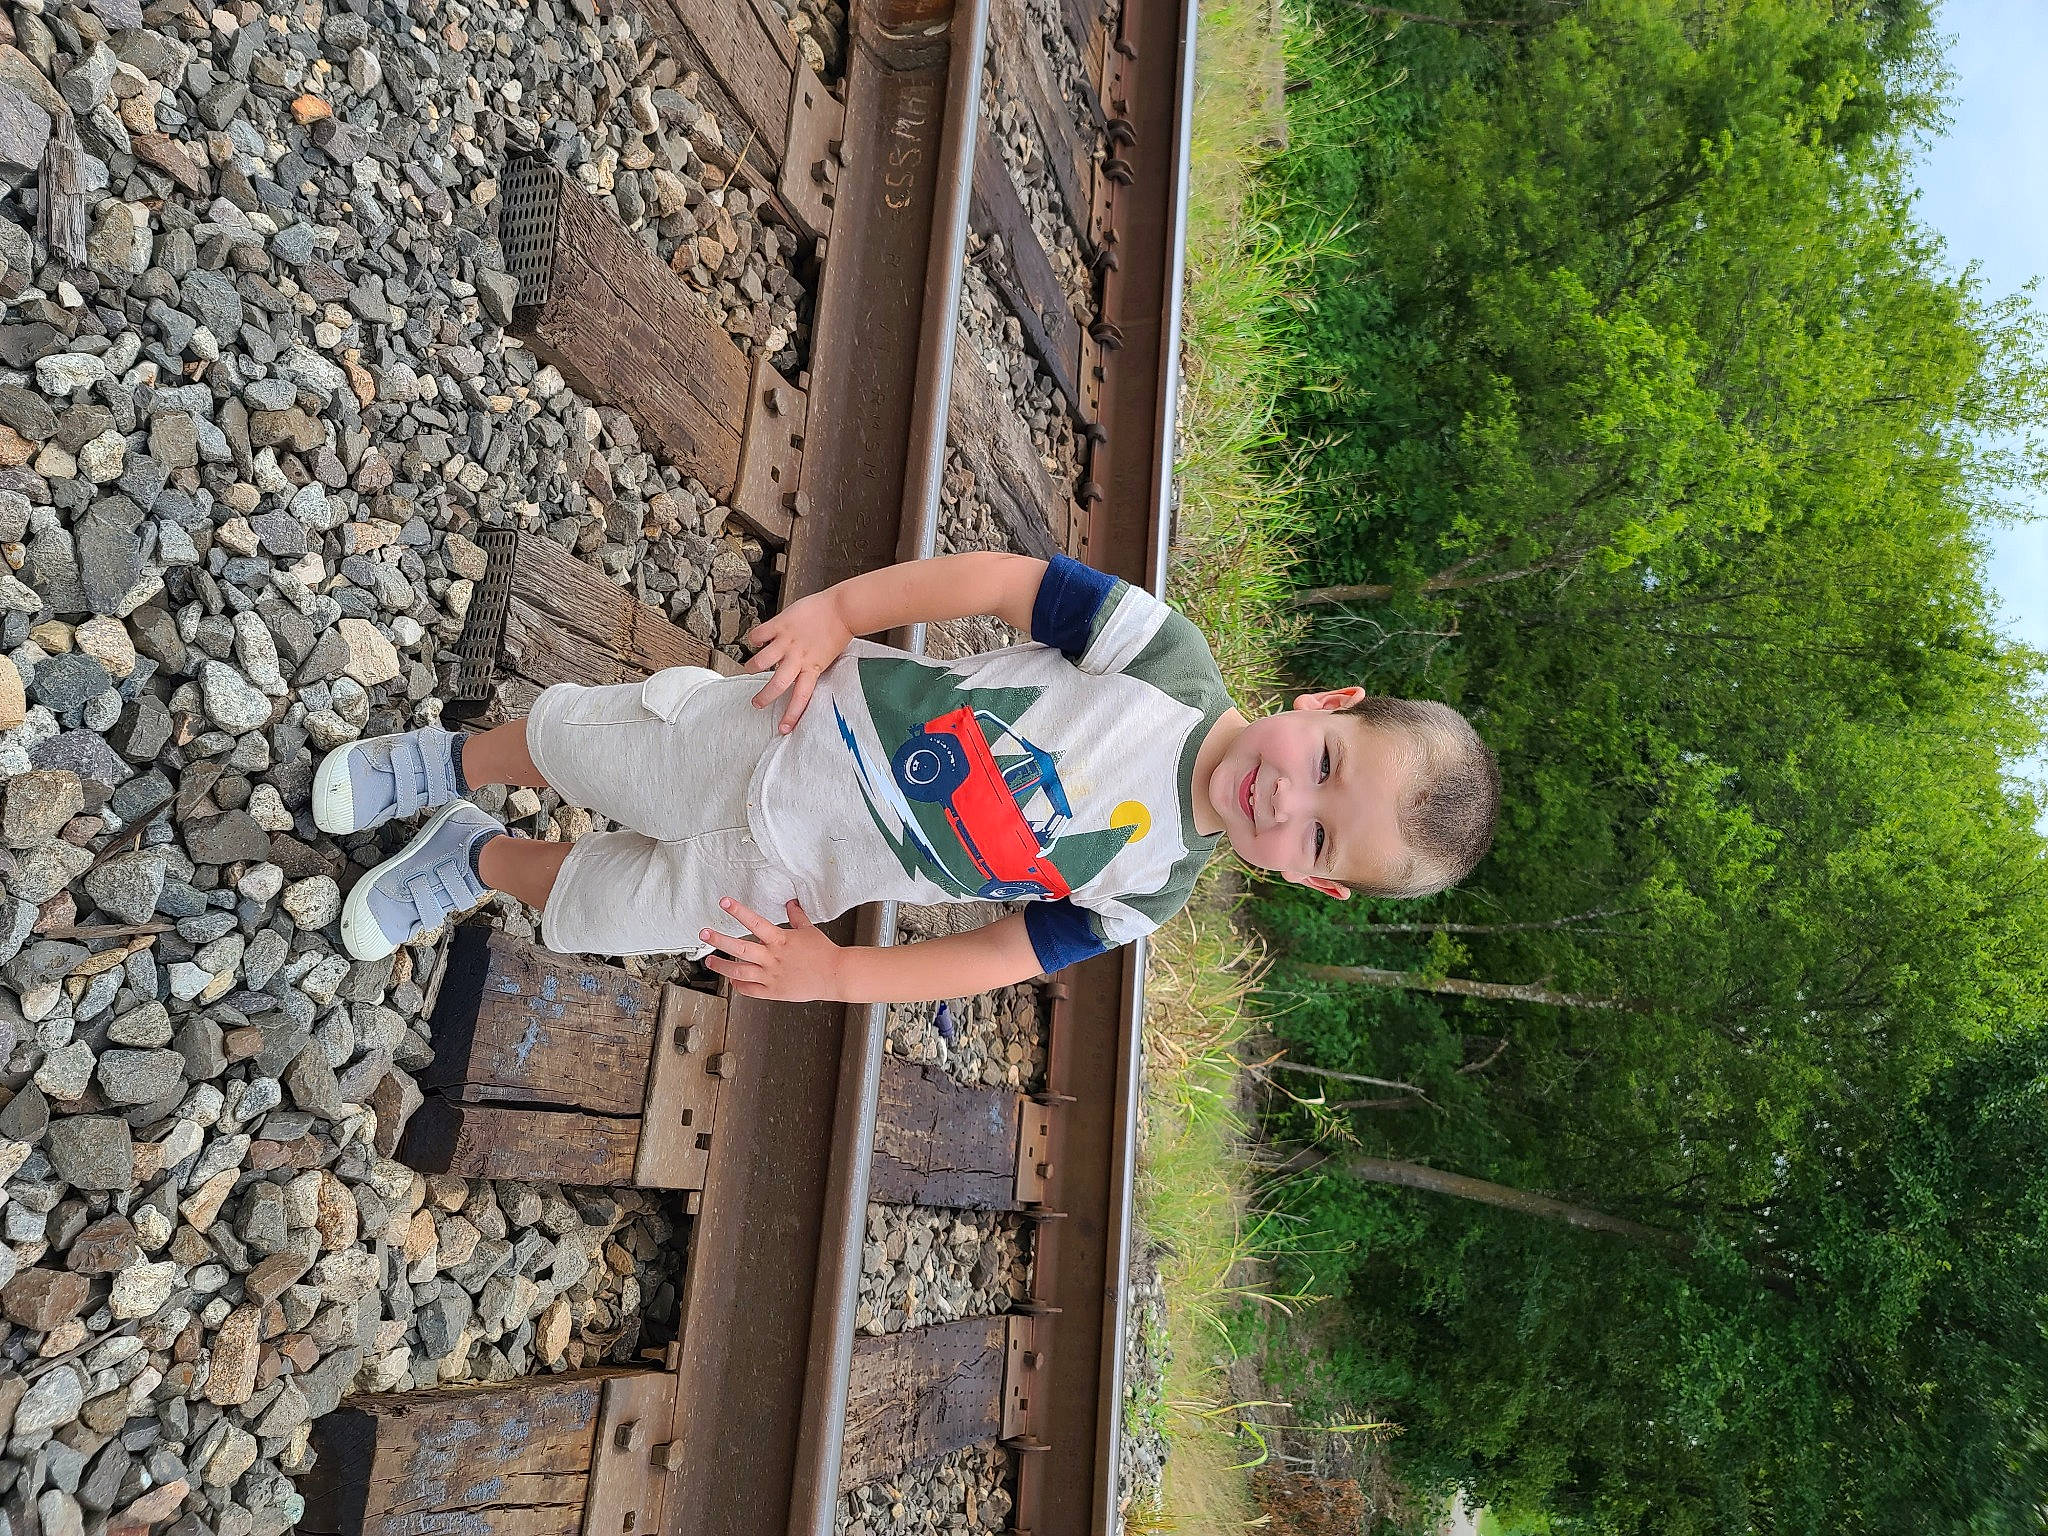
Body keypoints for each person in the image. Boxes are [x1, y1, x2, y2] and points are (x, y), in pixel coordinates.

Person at [311, 551, 1500, 1002]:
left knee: (608, 910)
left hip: (794, 874)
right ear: (1323, 704)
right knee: (601, 749)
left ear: (1315, 883)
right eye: (1325, 766)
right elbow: (998, 582)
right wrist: (837, 611)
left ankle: (467, 854)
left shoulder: (1149, 892)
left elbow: (990, 955)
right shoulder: (1163, 656)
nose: (1286, 802)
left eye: (1319, 838)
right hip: (786, 728)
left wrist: (834, 973)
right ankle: (448, 758)